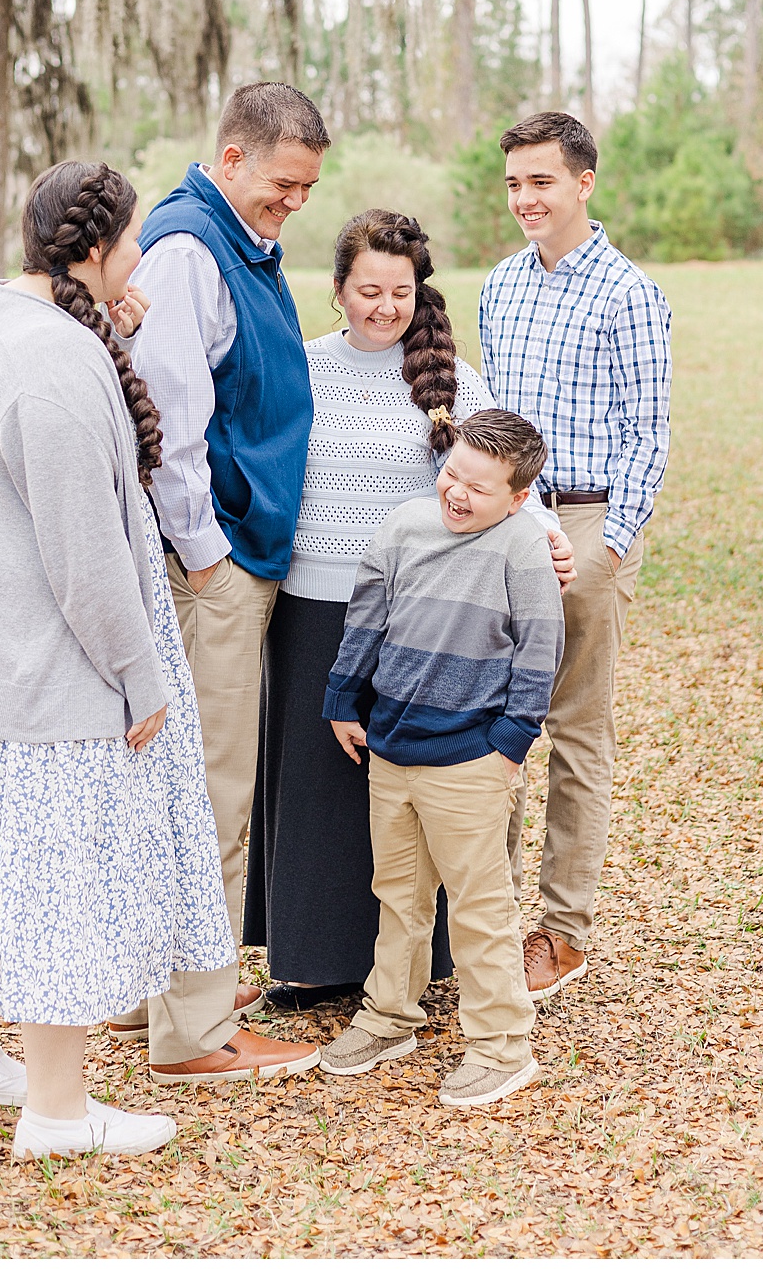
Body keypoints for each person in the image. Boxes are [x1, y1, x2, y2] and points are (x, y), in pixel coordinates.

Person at [0, 161, 234, 1161]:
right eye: (133, 239)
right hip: (49, 668)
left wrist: (112, 327)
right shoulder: (53, 364)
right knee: (65, 875)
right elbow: (83, 551)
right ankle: (56, 1110)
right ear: (93, 250)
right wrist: (140, 676)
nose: (142, 255)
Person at [243, 210, 575, 1008]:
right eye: (368, 290)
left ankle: (411, 967)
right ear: (337, 291)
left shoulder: (449, 378)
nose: (384, 307)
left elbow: (501, 468)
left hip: (420, 616)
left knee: (404, 792)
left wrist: (550, 533)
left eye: (399, 291)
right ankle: (312, 960)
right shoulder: (306, 366)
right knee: (319, 789)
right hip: (313, 605)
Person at [115, 83, 329, 1083]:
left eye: (306, 189)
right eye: (284, 183)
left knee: (204, 783)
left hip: (240, 554)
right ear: (233, 156)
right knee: (213, 791)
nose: (294, 202)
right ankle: (194, 1029)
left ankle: (168, 983)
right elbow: (169, 421)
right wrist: (208, 555)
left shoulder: (234, 237)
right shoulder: (193, 247)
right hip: (220, 563)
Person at [317, 410, 564, 1108]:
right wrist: (342, 697)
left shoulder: (523, 548)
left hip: (470, 757)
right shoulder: (404, 526)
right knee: (397, 896)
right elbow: (368, 616)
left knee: (480, 909)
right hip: (390, 746)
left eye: (479, 489)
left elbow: (541, 649)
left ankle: (503, 1047)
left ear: (517, 498)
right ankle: (389, 1016)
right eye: (453, 474)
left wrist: (510, 744)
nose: (457, 493)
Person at [478, 111, 672, 998]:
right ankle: (483, 918)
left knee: (575, 732)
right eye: (515, 182)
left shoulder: (628, 293)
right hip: (502, 525)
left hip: (588, 521)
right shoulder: (502, 286)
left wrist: (610, 546)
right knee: (491, 722)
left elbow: (648, 434)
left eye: (542, 182)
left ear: (584, 184)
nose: (525, 198)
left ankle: (561, 932)